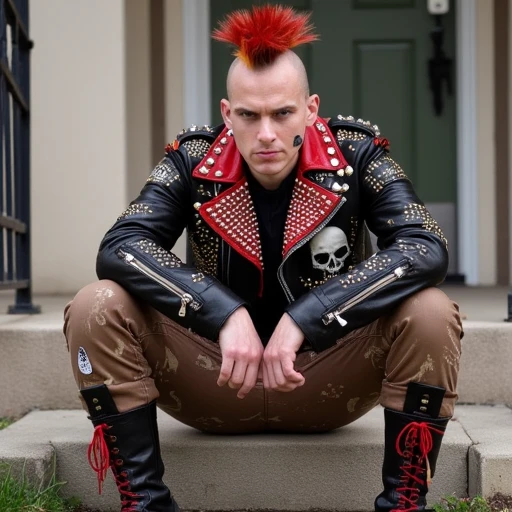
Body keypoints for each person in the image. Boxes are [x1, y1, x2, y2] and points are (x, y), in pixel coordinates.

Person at [64, 5, 463, 512]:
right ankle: (144, 503)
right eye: (249, 116)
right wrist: (221, 311)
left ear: (311, 109)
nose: (267, 134)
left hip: (329, 378)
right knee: (96, 302)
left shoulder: (357, 155)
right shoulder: (192, 160)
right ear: (228, 114)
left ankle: (405, 504)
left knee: (429, 310)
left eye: (282, 113)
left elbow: (424, 245)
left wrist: (311, 315)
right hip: (214, 381)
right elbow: (120, 246)